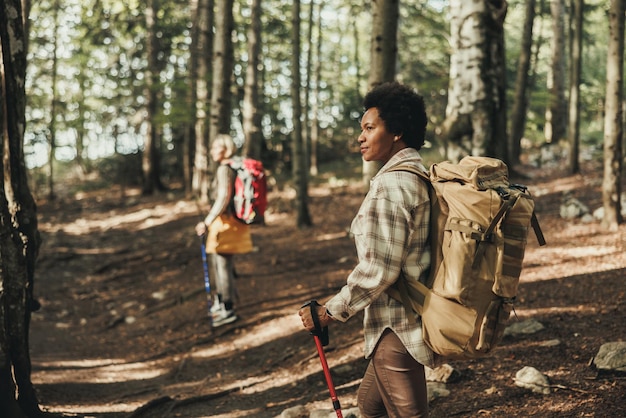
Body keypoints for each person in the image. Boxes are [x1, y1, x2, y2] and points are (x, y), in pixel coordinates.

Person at [298, 82, 437, 417]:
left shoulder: (392, 185)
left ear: (397, 132)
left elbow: (380, 269)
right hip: (406, 319)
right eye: (361, 128)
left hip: (397, 327)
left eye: (370, 128)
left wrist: (328, 312)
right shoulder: (417, 174)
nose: (360, 137)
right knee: (369, 407)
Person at [196, 134, 253, 327]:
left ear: (225, 149)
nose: (212, 151)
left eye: (215, 147)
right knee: (221, 264)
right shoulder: (230, 167)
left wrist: (207, 221)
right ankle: (222, 305)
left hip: (226, 223)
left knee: (222, 266)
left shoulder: (224, 168)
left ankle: (227, 309)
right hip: (228, 222)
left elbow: (223, 198)